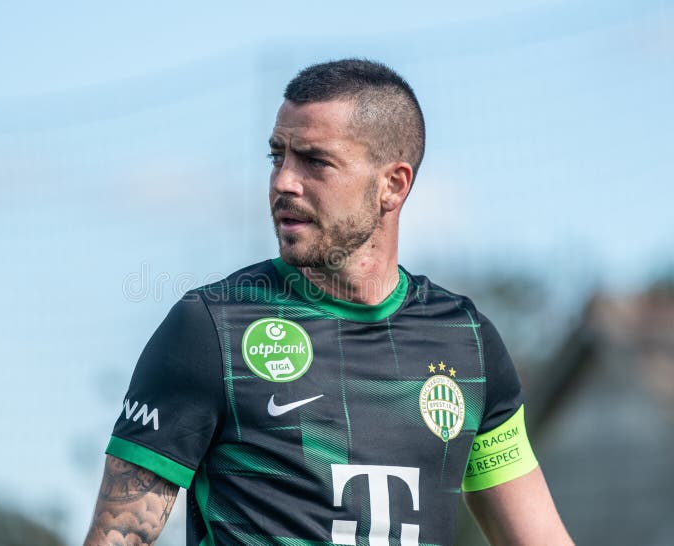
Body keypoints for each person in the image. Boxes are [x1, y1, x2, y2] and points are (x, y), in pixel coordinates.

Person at [83, 59, 573, 546]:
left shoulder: (466, 342)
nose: (283, 182)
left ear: (393, 185)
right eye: (277, 157)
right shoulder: (212, 328)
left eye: (315, 162)